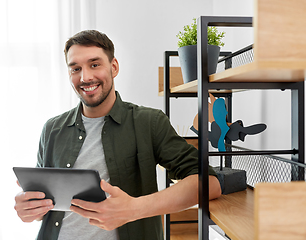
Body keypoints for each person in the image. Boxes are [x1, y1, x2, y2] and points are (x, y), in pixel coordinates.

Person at [14, 30, 221, 240]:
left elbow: (209, 183)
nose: (85, 77)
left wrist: (134, 208)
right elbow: (44, 202)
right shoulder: (52, 129)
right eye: (76, 68)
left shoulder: (149, 122)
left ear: (114, 67)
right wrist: (30, 210)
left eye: (94, 64)